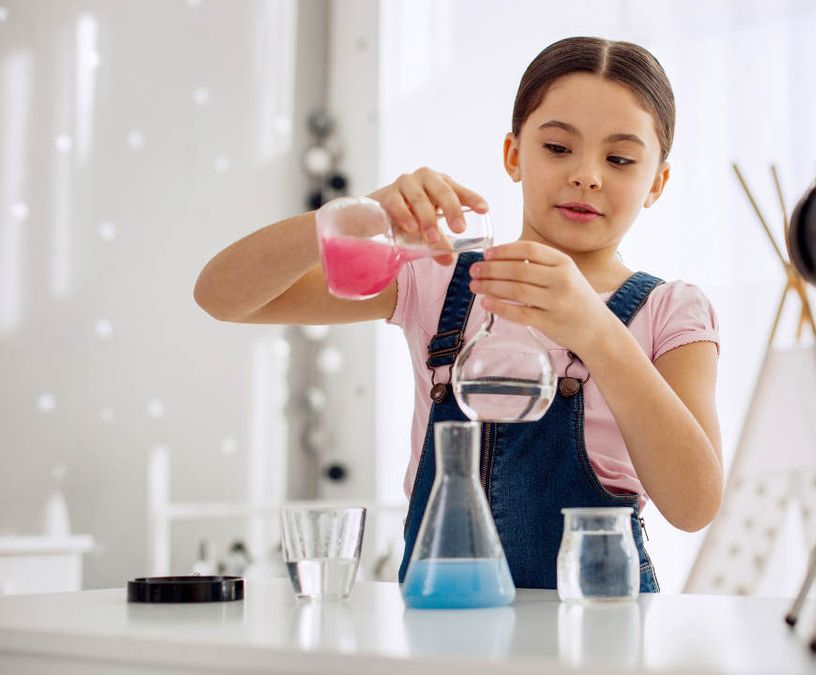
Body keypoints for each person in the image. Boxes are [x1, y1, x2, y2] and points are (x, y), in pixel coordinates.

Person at [193, 37, 723, 592]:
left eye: (619, 159)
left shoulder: (670, 311)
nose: (587, 175)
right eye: (558, 148)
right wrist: (363, 215)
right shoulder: (439, 275)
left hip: (597, 627)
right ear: (514, 155)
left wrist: (595, 329)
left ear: (657, 182)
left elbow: (694, 506)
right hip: (440, 621)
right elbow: (222, 296)